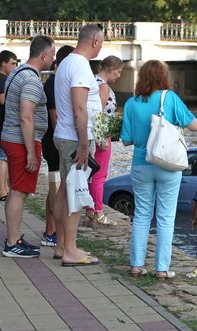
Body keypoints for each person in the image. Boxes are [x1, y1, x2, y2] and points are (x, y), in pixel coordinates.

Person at [121, 60, 197, 278]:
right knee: (165, 217)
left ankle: (137, 265)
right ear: (163, 77)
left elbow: (126, 140)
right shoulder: (170, 98)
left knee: (142, 215)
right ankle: (162, 269)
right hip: (167, 164)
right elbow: (195, 126)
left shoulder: (131, 103)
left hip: (141, 163)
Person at [53, 24, 104, 266]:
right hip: (74, 139)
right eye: (102, 42)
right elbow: (79, 108)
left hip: (64, 135)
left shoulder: (66, 62)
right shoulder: (81, 66)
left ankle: (62, 244)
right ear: (95, 40)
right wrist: (84, 144)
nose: (101, 47)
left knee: (65, 189)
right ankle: (70, 250)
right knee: (76, 192)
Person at [0, 36, 55, 258]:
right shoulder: (31, 81)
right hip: (21, 142)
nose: (52, 59)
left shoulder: (17, 72)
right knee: (19, 192)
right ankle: (12, 244)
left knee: (16, 190)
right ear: (44, 55)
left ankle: (13, 238)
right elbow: (26, 117)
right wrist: (31, 151)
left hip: (12, 137)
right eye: (52, 54)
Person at [40, 45, 75, 248]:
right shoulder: (54, 82)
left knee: (55, 186)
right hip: (54, 142)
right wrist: (61, 141)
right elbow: (54, 116)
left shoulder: (55, 81)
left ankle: (51, 230)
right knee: (56, 186)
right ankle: (53, 232)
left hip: (53, 139)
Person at [85, 55, 124, 226]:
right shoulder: (103, 86)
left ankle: (90, 212)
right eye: (119, 72)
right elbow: (99, 112)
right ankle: (98, 212)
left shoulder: (92, 80)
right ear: (111, 69)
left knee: (91, 175)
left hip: (93, 133)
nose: (119, 76)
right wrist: (101, 139)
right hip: (101, 134)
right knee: (99, 175)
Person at [0, 50, 17, 201]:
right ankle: (1, 191)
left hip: (0, 121)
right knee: (2, 156)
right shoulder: (0, 79)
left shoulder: (3, 78)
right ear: (3, 63)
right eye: (12, 63)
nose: (14, 66)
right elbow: (3, 100)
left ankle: (3, 189)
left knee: (3, 156)